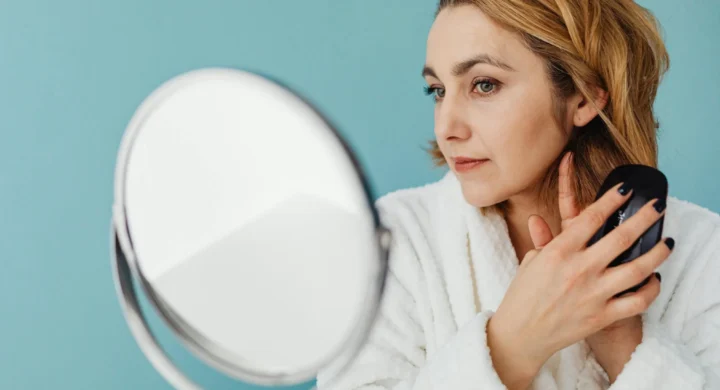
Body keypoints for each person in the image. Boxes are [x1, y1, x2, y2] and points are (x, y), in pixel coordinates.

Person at [317, 1, 720, 389]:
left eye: (484, 85)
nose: (447, 127)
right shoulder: (394, 241)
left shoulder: (705, 253)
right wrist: (510, 348)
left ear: (582, 95)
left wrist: (619, 339)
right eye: (438, 90)